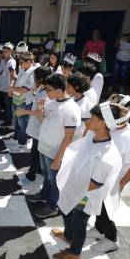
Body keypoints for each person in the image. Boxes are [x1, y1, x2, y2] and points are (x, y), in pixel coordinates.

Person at [51, 103, 123, 259]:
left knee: (78, 222)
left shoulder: (107, 155)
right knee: (65, 210)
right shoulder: (93, 136)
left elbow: (95, 185)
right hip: (75, 187)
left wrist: (74, 190)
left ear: (103, 123)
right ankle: (68, 236)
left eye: (93, 119)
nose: (87, 121)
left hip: (86, 195)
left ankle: (75, 252)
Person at [87, 94, 130, 253]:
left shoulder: (128, 137)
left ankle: (112, 238)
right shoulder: (114, 129)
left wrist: (121, 183)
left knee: (105, 208)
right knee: (97, 203)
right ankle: (99, 229)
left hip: (113, 180)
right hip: (103, 175)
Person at [28, 73, 81, 218]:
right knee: (46, 176)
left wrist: (59, 158)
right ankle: (44, 194)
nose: (46, 92)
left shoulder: (71, 109)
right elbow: (42, 121)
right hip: (44, 148)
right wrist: (40, 108)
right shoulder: (50, 102)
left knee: (55, 180)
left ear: (59, 90)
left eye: (48, 89)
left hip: (55, 152)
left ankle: (53, 206)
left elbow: (69, 137)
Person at [16, 66, 52, 186]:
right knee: (37, 151)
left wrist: (24, 112)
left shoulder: (46, 94)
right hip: (37, 127)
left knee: (36, 152)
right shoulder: (41, 89)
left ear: (41, 78)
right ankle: (39, 170)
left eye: (36, 77)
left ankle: (31, 175)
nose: (34, 79)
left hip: (40, 129)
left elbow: (41, 113)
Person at [7, 51, 36, 151]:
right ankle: (16, 138)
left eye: (22, 62)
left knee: (23, 122)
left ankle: (22, 143)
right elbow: (17, 81)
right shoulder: (23, 69)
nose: (20, 64)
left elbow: (25, 89)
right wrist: (12, 88)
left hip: (24, 101)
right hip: (17, 99)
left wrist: (11, 89)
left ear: (29, 61)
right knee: (17, 121)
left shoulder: (32, 72)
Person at [66, 73, 94, 139]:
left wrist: (81, 142)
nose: (66, 88)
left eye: (68, 86)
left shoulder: (87, 105)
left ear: (76, 87)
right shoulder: (70, 99)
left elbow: (88, 127)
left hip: (75, 141)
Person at [0, 42, 16, 126]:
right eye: (3, 52)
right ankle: (7, 118)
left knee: (8, 105)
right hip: (4, 86)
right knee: (6, 103)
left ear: (11, 52)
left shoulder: (11, 62)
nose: (4, 53)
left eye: (6, 52)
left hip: (8, 87)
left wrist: (11, 87)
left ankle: (8, 121)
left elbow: (12, 75)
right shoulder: (6, 61)